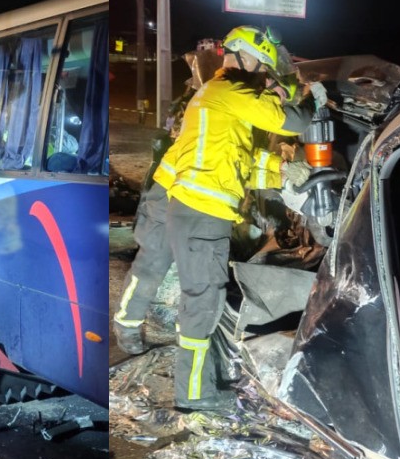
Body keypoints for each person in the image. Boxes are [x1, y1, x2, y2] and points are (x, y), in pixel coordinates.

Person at [116, 26, 325, 412]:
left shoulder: (220, 96)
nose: (266, 81)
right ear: (248, 57)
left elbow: (238, 162)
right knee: (199, 300)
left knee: (160, 271)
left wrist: (282, 172)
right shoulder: (231, 89)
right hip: (198, 209)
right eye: (264, 70)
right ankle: (194, 394)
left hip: (181, 199)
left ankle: (131, 331)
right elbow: (290, 121)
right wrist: (312, 100)